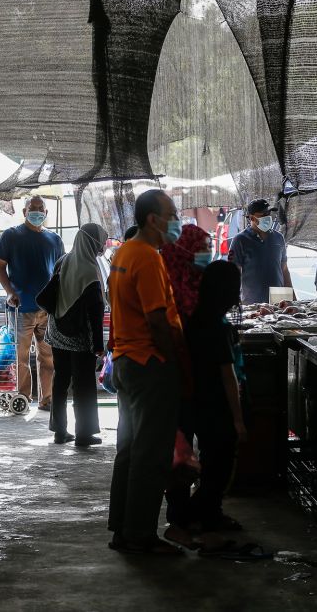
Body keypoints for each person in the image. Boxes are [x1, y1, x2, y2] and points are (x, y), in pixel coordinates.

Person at [107, 189, 187, 556]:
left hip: (126, 361)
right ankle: (140, 534)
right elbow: (157, 317)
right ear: (153, 219)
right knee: (150, 455)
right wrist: (172, 362)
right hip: (148, 364)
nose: (176, 220)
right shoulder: (147, 257)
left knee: (129, 450)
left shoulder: (123, 252)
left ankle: (122, 528)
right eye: (172, 214)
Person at [165, 261, 254, 556]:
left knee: (202, 462)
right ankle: (198, 517)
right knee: (219, 464)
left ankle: (203, 516)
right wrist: (238, 420)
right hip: (213, 403)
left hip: (191, 400)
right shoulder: (215, 326)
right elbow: (228, 377)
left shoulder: (196, 317)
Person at [0, 196, 64, 410]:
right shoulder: (11, 236)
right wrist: (9, 291)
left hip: (47, 310)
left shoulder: (55, 239)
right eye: (32, 208)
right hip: (21, 307)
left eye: (40, 208)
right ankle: (23, 398)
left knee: (48, 357)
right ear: (24, 212)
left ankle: (47, 399)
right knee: (21, 357)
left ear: (46, 211)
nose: (36, 212)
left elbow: (60, 271)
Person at [44, 223, 108, 447]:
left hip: (57, 331)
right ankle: (84, 433)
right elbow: (96, 311)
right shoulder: (90, 269)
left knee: (60, 380)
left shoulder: (63, 260)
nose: (103, 245)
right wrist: (99, 345)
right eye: (100, 240)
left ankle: (59, 431)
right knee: (84, 385)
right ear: (92, 242)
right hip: (80, 337)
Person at [228, 198, 293, 305]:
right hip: (252, 303)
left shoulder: (278, 238)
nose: (268, 217)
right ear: (252, 218)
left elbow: (284, 269)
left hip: (279, 301)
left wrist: (292, 297)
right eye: (263, 215)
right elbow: (233, 274)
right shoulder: (240, 240)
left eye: (269, 213)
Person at [161, 224, 211, 321]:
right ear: (185, 251)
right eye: (202, 247)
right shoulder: (165, 288)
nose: (209, 251)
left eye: (210, 246)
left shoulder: (204, 280)